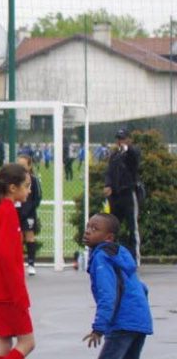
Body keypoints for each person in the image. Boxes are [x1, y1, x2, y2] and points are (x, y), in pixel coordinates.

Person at [82, 213, 153, 359]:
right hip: (140, 321)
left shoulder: (102, 257)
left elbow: (107, 295)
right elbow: (142, 288)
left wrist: (99, 328)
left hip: (123, 323)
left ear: (108, 237)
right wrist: (138, 312)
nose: (88, 231)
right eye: (88, 226)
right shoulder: (119, 255)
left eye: (95, 229)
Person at [0, 163, 35, 359]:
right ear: (13, 188)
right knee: (27, 342)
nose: (30, 190)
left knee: (4, 343)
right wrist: (19, 292)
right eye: (27, 185)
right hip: (7, 292)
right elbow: (5, 255)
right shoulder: (7, 210)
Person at [103, 129, 142, 262]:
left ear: (128, 139)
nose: (120, 141)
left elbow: (134, 161)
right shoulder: (115, 155)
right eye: (119, 139)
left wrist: (128, 148)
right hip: (116, 196)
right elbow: (109, 172)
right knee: (113, 226)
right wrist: (107, 185)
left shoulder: (132, 152)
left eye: (123, 138)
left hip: (128, 194)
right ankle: (114, 255)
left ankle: (135, 258)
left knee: (132, 227)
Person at [17, 155, 43, 276]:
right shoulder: (14, 180)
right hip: (16, 212)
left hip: (29, 214)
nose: (20, 167)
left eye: (23, 165)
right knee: (17, 238)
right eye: (19, 165)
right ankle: (17, 263)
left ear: (29, 166)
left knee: (29, 236)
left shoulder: (33, 180)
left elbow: (37, 198)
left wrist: (28, 209)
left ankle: (31, 264)